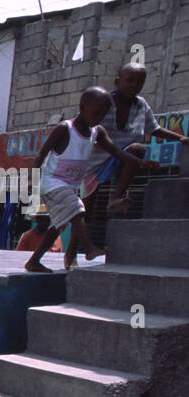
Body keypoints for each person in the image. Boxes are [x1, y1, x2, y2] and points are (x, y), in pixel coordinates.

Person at [24, 87, 156, 273]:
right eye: (96, 112)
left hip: (69, 186)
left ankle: (34, 261)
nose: (99, 117)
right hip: (52, 183)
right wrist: (32, 179)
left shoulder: (97, 132)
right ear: (82, 106)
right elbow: (41, 155)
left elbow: (117, 152)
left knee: (58, 225)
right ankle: (89, 248)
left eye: (103, 114)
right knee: (78, 209)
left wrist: (139, 162)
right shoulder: (65, 129)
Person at [81, 63, 188, 234]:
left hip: (123, 157)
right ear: (118, 81)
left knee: (138, 148)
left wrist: (181, 138)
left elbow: (155, 129)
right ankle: (79, 248)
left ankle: (116, 196)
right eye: (130, 80)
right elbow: (85, 128)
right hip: (94, 161)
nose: (134, 85)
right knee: (85, 209)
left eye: (139, 82)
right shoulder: (104, 102)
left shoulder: (141, 105)